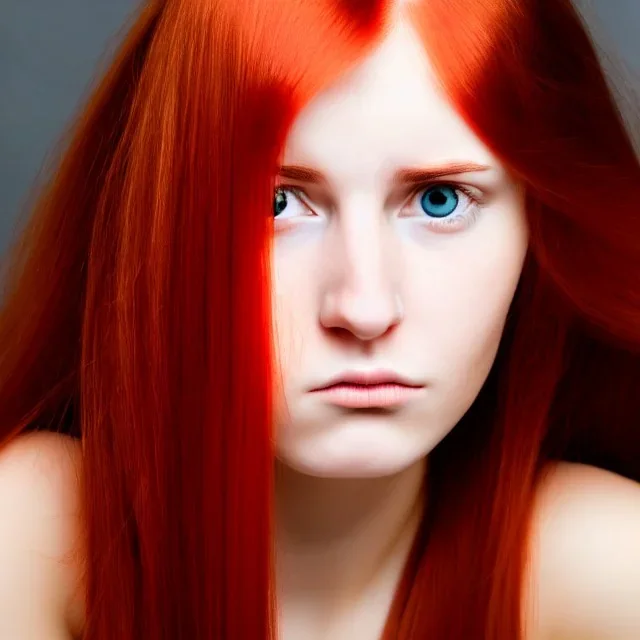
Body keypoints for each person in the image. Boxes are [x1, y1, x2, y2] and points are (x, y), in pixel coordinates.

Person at [0, 0, 639, 637]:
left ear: (541, 227)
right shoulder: (35, 533)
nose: (363, 309)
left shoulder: (606, 565)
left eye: (439, 201)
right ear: (159, 222)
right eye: (277, 203)